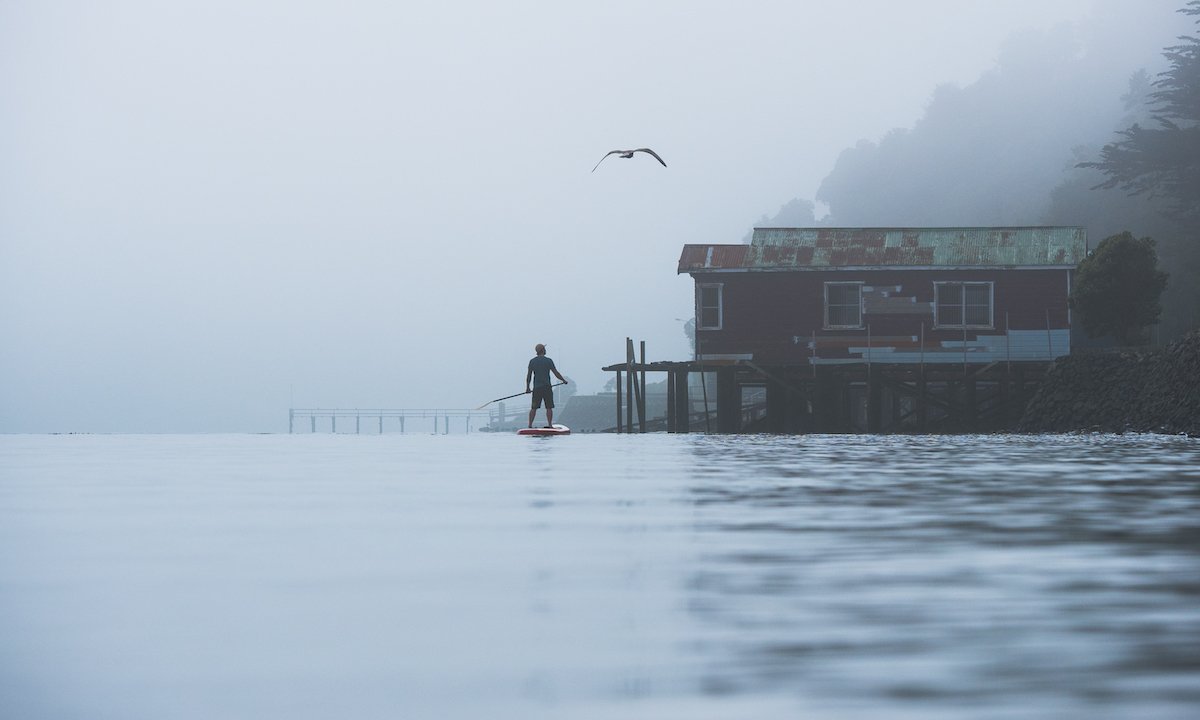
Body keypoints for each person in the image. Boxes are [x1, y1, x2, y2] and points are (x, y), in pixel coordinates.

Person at [526, 343, 567, 428]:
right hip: (547, 387)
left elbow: (529, 375)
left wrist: (527, 387)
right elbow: (556, 373)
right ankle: (550, 425)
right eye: (544, 349)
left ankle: (529, 425)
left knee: (534, 407)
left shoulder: (532, 361)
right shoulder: (548, 361)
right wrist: (563, 380)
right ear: (543, 350)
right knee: (549, 407)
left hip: (536, 388)